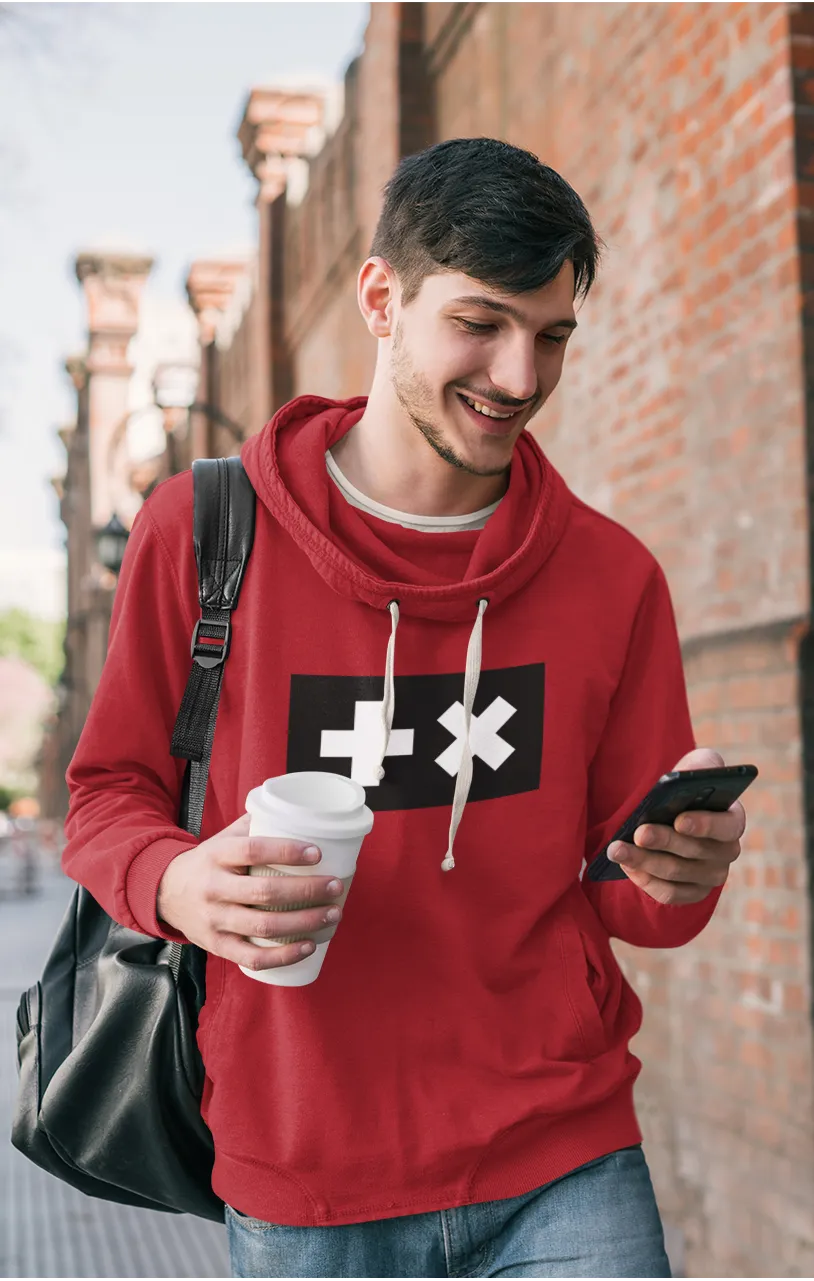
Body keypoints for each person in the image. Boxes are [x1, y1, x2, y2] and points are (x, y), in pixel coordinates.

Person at [62, 138, 746, 1281]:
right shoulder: (201, 534)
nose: (519, 376)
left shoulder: (613, 578)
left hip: (564, 1157)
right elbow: (106, 794)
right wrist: (175, 881)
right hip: (306, 1175)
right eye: (480, 323)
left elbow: (631, 900)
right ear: (381, 298)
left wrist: (681, 873)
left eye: (552, 335)